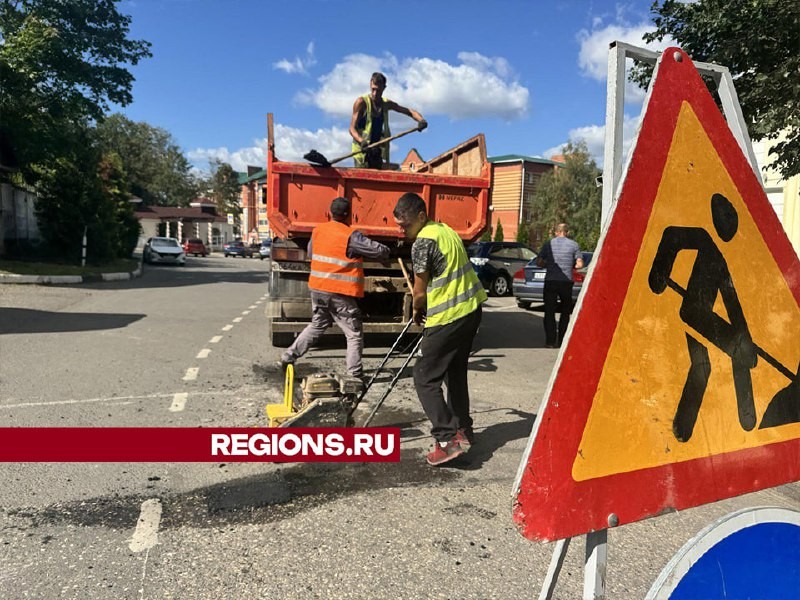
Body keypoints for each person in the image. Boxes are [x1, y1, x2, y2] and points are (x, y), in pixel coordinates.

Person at [393, 192, 487, 466]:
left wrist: (416, 311)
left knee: (424, 376)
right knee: (455, 373)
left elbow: (419, 292)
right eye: (399, 224)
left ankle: (446, 440)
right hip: (471, 311)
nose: (402, 230)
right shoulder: (445, 231)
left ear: (421, 217)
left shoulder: (423, 242)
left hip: (448, 316)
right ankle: (463, 429)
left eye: (406, 224)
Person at [280, 197, 389, 378]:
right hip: (339, 292)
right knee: (353, 333)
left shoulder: (318, 231)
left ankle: (288, 356)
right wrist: (387, 251)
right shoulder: (350, 235)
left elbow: (311, 252)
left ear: (330, 213)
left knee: (317, 324)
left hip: (318, 288)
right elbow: (378, 251)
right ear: (350, 215)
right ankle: (354, 374)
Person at [349, 72, 427, 169]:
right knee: (363, 180)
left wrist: (421, 120)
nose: (375, 93)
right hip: (362, 151)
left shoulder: (386, 104)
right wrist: (362, 142)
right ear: (370, 84)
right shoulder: (361, 102)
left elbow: (408, 111)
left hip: (375, 150)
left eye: (378, 90)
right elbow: (352, 129)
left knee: (385, 175)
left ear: (384, 88)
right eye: (373, 89)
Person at [537, 223, 584, 348]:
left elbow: (539, 262)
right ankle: (562, 340)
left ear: (557, 232)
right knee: (565, 312)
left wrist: (549, 265)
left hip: (551, 281)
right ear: (567, 232)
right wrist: (571, 266)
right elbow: (579, 264)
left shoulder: (548, 244)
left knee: (549, 311)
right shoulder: (574, 245)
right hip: (566, 282)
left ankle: (550, 341)